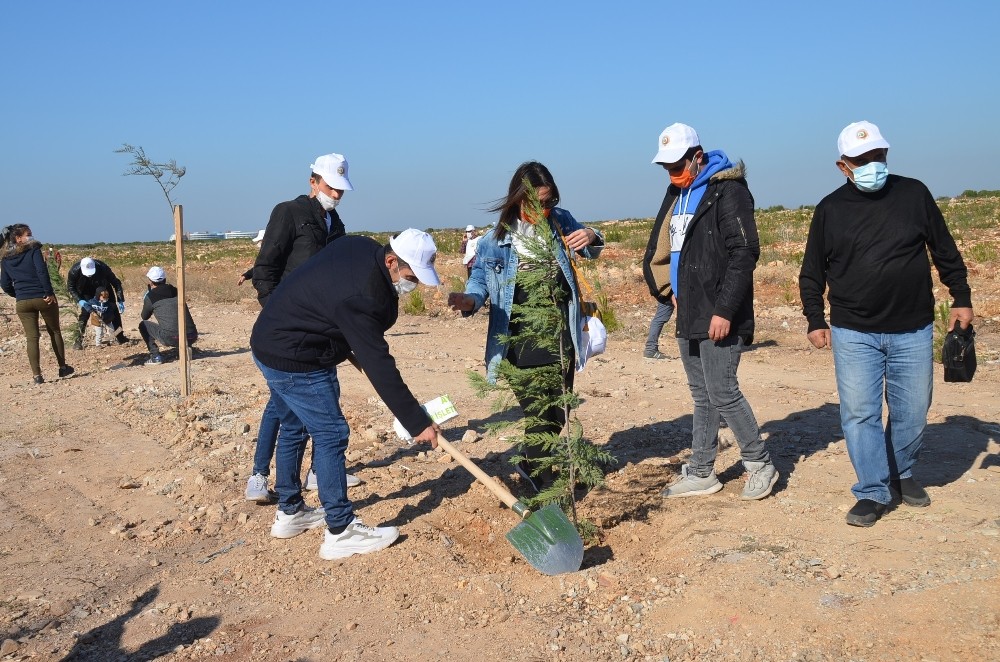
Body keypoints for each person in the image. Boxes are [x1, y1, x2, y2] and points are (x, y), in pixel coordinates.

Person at [799, 120, 974, 527]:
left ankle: (902, 473)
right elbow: (812, 272)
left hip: (913, 327)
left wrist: (961, 298)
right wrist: (814, 318)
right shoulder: (830, 209)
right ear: (843, 166)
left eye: (877, 156)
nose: (872, 164)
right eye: (861, 160)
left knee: (913, 409)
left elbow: (944, 250)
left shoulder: (914, 194)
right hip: (853, 331)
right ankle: (873, 490)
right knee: (860, 413)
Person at [250, 229, 442, 560]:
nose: (415, 284)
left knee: (294, 426)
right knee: (331, 432)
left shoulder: (360, 245)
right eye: (411, 275)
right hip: (296, 356)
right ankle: (341, 530)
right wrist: (416, 420)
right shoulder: (364, 297)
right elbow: (380, 365)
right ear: (392, 260)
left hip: (270, 340)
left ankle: (290, 513)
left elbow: (324, 286)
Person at [447, 161, 604, 492]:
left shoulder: (560, 222)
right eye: (536, 203)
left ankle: (529, 464)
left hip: (561, 334)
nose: (543, 210)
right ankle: (545, 484)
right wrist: (469, 301)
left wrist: (591, 235)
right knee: (538, 413)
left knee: (559, 410)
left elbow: (590, 248)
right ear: (517, 199)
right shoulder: (495, 240)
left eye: (548, 203)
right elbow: (479, 281)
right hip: (519, 339)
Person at [646, 123, 777, 501]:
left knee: (723, 391)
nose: (672, 171)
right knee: (702, 395)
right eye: (666, 166)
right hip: (688, 309)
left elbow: (744, 253)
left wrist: (725, 309)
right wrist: (668, 291)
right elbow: (664, 247)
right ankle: (702, 471)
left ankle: (759, 462)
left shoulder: (728, 191)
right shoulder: (677, 192)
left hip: (719, 311)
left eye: (677, 163)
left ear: (697, 156)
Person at [245, 154, 357, 502]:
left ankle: (314, 474)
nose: (336, 195)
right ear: (313, 182)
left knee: (306, 404)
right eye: (330, 187)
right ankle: (260, 477)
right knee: (282, 408)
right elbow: (266, 269)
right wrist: (278, 312)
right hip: (287, 330)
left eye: (341, 190)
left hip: (320, 331)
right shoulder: (288, 213)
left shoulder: (335, 225)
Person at [0, 224, 74, 384]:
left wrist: (18, 294)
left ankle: (37, 375)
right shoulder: (33, 250)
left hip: (22, 302)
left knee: (31, 338)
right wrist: (48, 292)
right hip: (42, 297)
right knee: (54, 331)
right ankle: (62, 367)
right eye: (28, 234)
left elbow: (4, 284)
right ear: (18, 238)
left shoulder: (5, 259)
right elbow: (42, 271)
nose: (31, 236)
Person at [138, 266, 198, 365]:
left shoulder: (151, 296)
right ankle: (186, 349)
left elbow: (144, 316)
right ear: (165, 279)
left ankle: (155, 356)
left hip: (172, 338)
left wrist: (147, 300)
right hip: (191, 336)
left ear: (150, 281)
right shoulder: (177, 291)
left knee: (143, 325)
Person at [66, 256, 128, 349]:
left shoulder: (102, 267)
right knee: (85, 313)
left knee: (114, 311)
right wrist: (79, 299)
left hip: (104, 290)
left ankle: (120, 337)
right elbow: (71, 287)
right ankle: (78, 340)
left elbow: (116, 282)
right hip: (86, 291)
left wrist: (120, 299)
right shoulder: (74, 271)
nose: (89, 275)